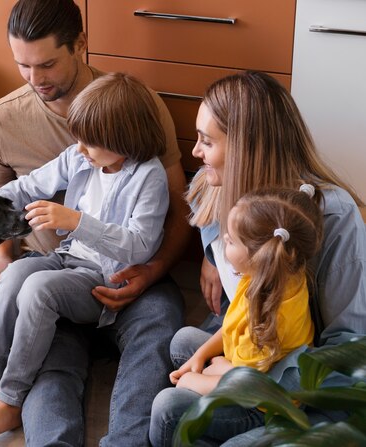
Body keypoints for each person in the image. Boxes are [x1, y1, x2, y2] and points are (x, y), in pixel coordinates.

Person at [0, 0, 191, 445]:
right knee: (24, 285)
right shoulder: (64, 144)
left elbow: (150, 233)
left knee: (152, 333)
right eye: (22, 66)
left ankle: (21, 401)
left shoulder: (138, 139)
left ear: (80, 46)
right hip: (63, 263)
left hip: (114, 274)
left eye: (47, 64)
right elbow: (27, 187)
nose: (34, 80)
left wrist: (80, 224)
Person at [149, 70, 366, 446]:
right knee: (183, 343)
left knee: (173, 407)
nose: (195, 152)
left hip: (302, 379)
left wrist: (232, 376)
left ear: (245, 148)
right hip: (256, 343)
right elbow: (237, 287)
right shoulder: (210, 187)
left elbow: (344, 353)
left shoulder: (333, 216)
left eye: (206, 141)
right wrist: (212, 261)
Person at [152, 186, 323, 443]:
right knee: (185, 339)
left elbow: (245, 385)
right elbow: (234, 324)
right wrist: (202, 357)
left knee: (166, 405)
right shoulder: (266, 274)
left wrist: (194, 379)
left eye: (230, 241)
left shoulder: (272, 317)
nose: (223, 243)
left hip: (258, 405)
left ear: (259, 255)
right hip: (249, 370)